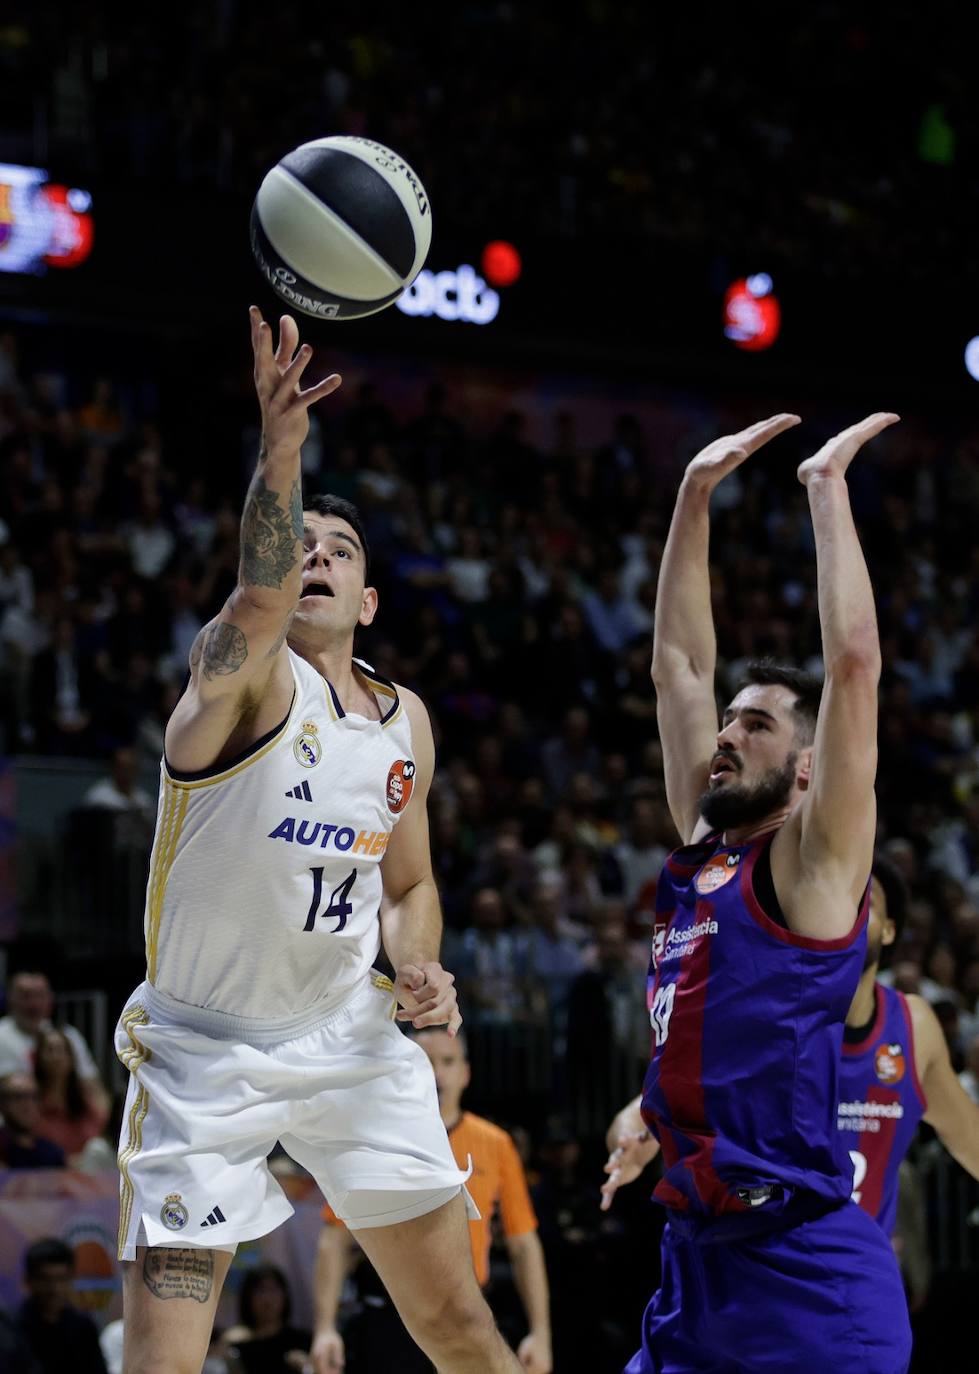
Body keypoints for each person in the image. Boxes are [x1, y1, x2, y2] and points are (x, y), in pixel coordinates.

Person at [115, 308, 520, 1374]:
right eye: (301, 546)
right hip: (204, 1049)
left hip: (347, 1035)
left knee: (461, 1326)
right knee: (162, 1360)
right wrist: (282, 449)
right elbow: (256, 589)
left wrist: (420, 960)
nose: (316, 559)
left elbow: (412, 880)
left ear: (370, 598)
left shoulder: (406, 724)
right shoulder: (242, 679)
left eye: (339, 549)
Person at [615, 413, 911, 1373]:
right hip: (696, 1259)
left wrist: (825, 490)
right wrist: (691, 494)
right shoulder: (704, 844)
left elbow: (855, 667)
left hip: (805, 1275)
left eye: (754, 724)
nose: (725, 734)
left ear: (806, 769)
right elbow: (677, 668)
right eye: (728, 720)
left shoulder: (810, 866)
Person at [601, 856, 979, 1240]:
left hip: (854, 1280)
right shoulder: (766, 1011)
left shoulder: (912, 1026)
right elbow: (645, 1111)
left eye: (868, 903)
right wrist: (628, 1140)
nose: (852, 910)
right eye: (843, 897)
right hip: (769, 1264)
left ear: (890, 931)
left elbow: (970, 1138)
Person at [312, 1027, 552, 1373]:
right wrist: (324, 1328)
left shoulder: (495, 1143)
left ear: (465, 1073)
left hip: (466, 1314)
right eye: (425, 1060)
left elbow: (524, 1244)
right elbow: (333, 1240)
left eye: (448, 1061)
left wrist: (540, 1333)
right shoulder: (376, 1138)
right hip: (389, 1320)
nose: (437, 1074)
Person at [0, 969, 109, 1117]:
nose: (33, 1004)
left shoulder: (68, 1035)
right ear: (10, 998)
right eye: (25, 996)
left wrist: (97, 1125)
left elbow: (92, 1086)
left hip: (66, 1123)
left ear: (49, 999)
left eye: (39, 995)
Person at [16, 1237, 108, 1374]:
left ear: (72, 1278)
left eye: (61, 1279)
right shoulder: (12, 1331)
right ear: (28, 1281)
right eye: (46, 1280)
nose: (55, 1289)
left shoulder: (83, 1329)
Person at [34, 1026, 111, 1160]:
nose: (55, 1057)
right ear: (40, 1057)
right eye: (50, 1050)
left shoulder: (85, 1095)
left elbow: (100, 1127)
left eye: (60, 1050)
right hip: (44, 1168)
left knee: (98, 1148)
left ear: (71, 1058)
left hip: (82, 1165)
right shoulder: (31, 1096)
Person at [223, 1263, 311, 1373]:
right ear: (247, 1297)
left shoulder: (303, 1342)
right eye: (260, 1290)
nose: (267, 1298)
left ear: (285, 1296)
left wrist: (308, 1367)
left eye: (273, 1289)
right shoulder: (237, 1345)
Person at [0, 1072, 66, 1167]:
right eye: (18, 1097)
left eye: (34, 1097)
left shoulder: (52, 1151)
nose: (28, 1105)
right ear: (2, 1104)